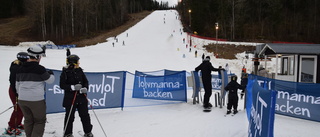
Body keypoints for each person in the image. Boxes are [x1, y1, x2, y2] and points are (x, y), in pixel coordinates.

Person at [16, 45, 55, 137]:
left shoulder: (20, 68)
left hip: (22, 99)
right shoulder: (40, 69)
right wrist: (51, 74)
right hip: (36, 100)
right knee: (39, 121)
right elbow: (50, 80)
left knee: (28, 120)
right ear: (37, 57)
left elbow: (17, 85)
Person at [60, 54, 93, 137]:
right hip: (70, 98)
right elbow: (62, 85)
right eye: (77, 62)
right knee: (70, 117)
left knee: (85, 115)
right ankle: (68, 133)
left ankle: (88, 132)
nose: (79, 63)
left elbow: (85, 81)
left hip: (81, 98)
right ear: (72, 63)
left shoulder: (80, 70)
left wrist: (85, 88)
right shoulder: (65, 72)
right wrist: (72, 87)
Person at [6, 52, 29, 135]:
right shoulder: (16, 68)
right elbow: (12, 81)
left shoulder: (21, 66)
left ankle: (18, 124)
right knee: (18, 109)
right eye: (27, 59)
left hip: (20, 90)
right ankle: (11, 126)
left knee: (22, 108)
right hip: (14, 90)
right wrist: (16, 93)